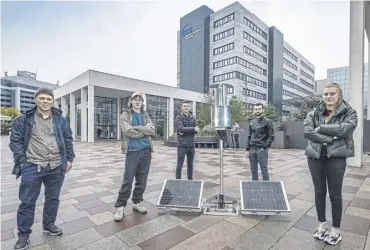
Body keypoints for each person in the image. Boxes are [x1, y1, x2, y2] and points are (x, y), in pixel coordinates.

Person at [9, 88, 75, 250]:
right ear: (35, 100)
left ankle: (49, 225)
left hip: (56, 165)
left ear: (52, 101)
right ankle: (23, 234)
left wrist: (69, 159)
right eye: (42, 99)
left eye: (48, 99)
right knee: (27, 201)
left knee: (53, 198)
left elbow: (68, 139)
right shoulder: (23, 119)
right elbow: (15, 141)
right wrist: (22, 162)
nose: (45, 102)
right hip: (33, 165)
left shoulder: (60, 119)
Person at [303, 82, 357, 245]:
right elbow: (307, 132)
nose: (328, 97)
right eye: (326, 94)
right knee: (319, 192)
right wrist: (331, 137)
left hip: (336, 157)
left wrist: (320, 129)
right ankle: (322, 225)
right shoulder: (313, 112)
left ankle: (336, 230)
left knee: (335, 194)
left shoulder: (349, 112)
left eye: (332, 94)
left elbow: (345, 130)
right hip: (315, 156)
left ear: (339, 95)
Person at [114, 92, 155, 221]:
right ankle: (120, 206)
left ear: (142, 102)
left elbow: (152, 130)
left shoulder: (145, 114)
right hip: (132, 151)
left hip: (146, 151)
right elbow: (128, 131)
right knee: (128, 179)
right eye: (135, 99)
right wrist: (143, 130)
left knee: (142, 179)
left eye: (140, 100)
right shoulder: (125, 115)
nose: (138, 102)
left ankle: (137, 202)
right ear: (131, 101)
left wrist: (137, 128)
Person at [245, 103, 274, 181]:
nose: (257, 111)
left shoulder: (268, 121)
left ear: (262, 110)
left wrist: (264, 148)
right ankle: (255, 187)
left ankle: (266, 189)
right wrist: (247, 149)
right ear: (254, 110)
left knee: (264, 170)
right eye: (256, 109)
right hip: (252, 149)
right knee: (253, 171)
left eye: (259, 109)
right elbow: (249, 135)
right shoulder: (251, 122)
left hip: (262, 148)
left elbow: (271, 136)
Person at [175, 100, 199, 180]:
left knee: (190, 165)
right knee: (179, 165)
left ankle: (190, 180)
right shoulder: (179, 117)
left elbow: (197, 129)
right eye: (184, 106)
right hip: (182, 146)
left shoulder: (193, 117)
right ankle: (178, 181)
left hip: (191, 145)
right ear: (181, 107)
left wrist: (186, 131)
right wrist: (192, 129)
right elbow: (180, 128)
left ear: (189, 107)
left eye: (187, 106)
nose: (186, 107)